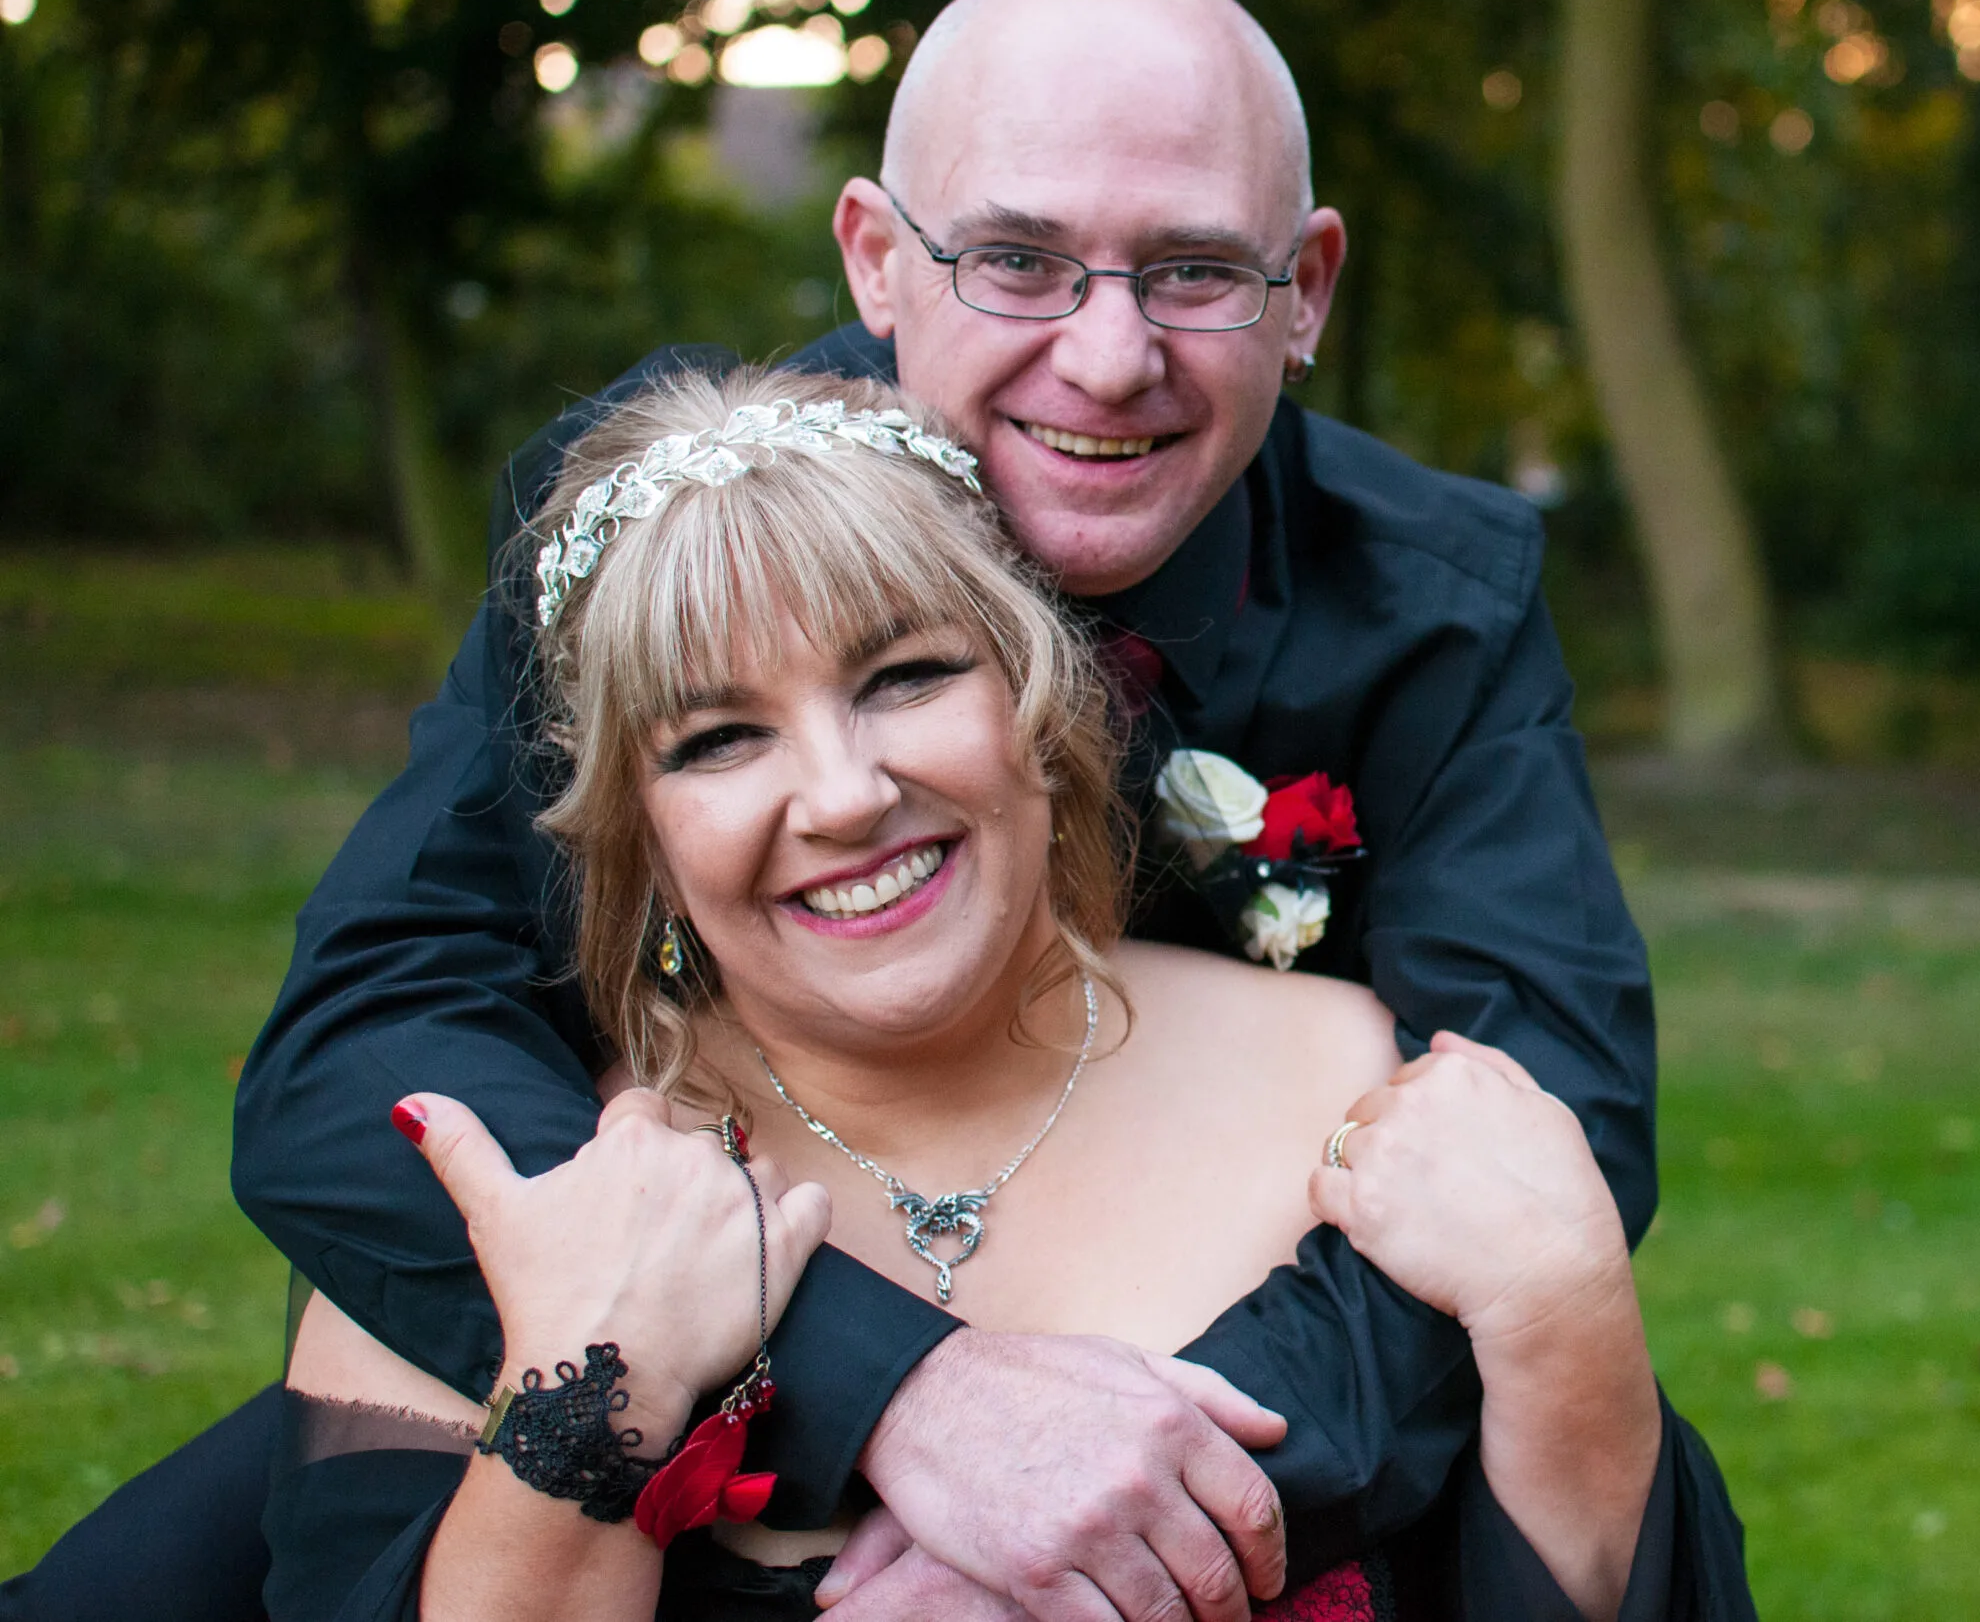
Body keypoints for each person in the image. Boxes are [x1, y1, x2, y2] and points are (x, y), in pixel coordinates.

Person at [1, 0, 1663, 1622]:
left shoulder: (1436, 600)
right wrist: (892, 1397)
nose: (1106, 359)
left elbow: (1545, 1135)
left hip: (1270, 1336)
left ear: (1304, 288)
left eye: (1193, 272)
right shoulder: (660, 540)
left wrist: (1121, 1522)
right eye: (1016, 260)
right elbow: (365, 1042)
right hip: (718, 1254)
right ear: (876, 255)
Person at [263, 366, 1750, 1622]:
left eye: (906, 676)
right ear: (635, 834)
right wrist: (594, 1398)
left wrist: (1565, 1310)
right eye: (718, 740)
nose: (844, 795)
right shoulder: (524, 1207)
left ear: (1042, 706)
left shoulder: (1356, 1094)